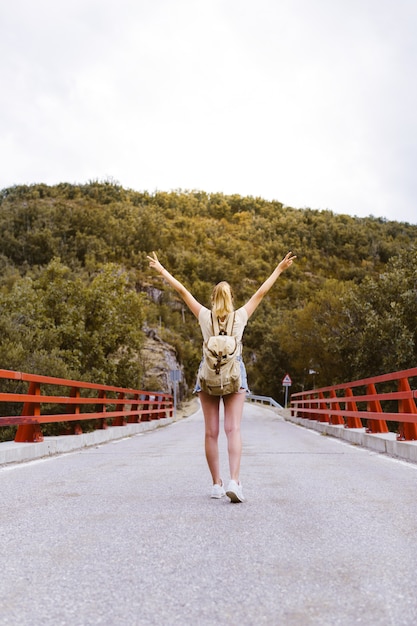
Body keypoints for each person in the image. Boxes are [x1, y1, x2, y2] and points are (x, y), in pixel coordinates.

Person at [147, 251, 296, 503]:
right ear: (231, 299)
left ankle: (216, 484)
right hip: (234, 376)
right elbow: (261, 292)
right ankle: (234, 482)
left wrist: (162, 270)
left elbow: (183, 292)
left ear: (213, 299)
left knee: (211, 432)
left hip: (207, 377)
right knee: (233, 428)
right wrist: (279, 269)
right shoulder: (241, 317)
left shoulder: (205, 316)